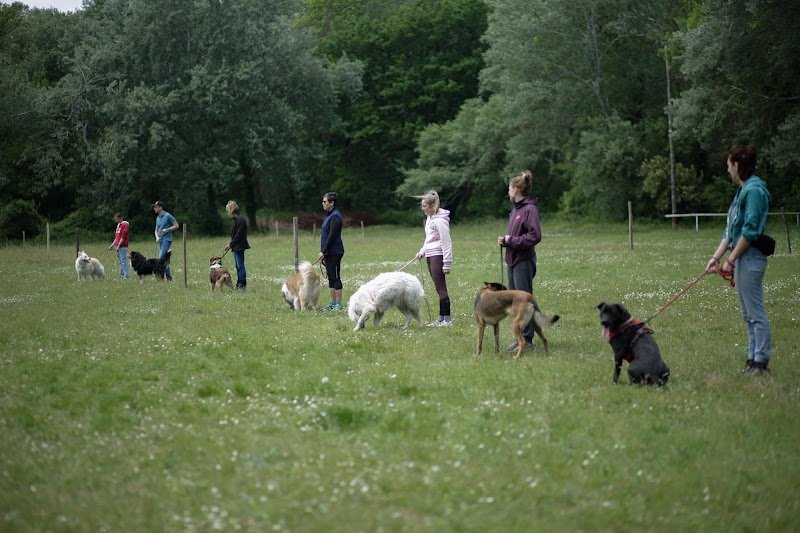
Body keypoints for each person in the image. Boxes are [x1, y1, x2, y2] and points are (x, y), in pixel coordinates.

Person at [705, 145, 772, 375]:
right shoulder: (742, 191)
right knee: (747, 314)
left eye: (728, 166)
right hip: (740, 257)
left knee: (755, 313)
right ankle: (752, 361)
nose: (727, 170)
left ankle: (761, 362)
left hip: (750, 257)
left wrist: (730, 261)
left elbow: (750, 231)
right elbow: (730, 231)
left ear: (736, 166)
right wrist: (716, 257)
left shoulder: (754, 191)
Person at [497, 170, 542, 352]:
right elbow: (516, 235)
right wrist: (506, 240)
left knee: (524, 301)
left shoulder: (530, 209)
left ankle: (528, 340)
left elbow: (534, 236)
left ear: (516, 189)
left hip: (524, 261)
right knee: (515, 302)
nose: (508, 191)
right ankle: (519, 338)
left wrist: (510, 241)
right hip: (512, 260)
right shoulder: (516, 209)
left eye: (509, 188)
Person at [414, 190, 453, 326]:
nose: (422, 208)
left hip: (438, 255)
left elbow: (446, 242)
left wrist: (447, 263)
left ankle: (447, 319)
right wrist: (422, 251)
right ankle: (441, 318)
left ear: (432, 206)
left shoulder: (440, 221)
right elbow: (429, 239)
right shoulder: (430, 219)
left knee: (441, 287)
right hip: (430, 254)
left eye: (424, 206)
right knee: (438, 287)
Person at [318, 192, 345, 310]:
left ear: (332, 203)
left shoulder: (335, 217)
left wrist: (323, 251)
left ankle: (338, 304)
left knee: (335, 276)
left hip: (335, 251)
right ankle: (333, 303)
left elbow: (332, 236)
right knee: (330, 277)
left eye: (325, 201)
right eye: (323, 201)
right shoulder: (328, 215)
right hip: (328, 252)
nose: (323, 203)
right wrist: (323, 252)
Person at [223, 200, 250, 290]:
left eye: (228, 210)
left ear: (231, 209)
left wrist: (230, 245)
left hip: (239, 246)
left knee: (240, 266)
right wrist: (230, 244)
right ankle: (239, 283)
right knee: (237, 266)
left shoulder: (240, 220)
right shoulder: (236, 220)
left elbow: (238, 236)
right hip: (236, 246)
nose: (227, 212)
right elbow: (234, 235)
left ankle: (242, 285)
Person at [153, 200, 178, 281]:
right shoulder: (157, 218)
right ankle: (169, 277)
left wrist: (168, 229)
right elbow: (156, 229)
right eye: (154, 207)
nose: (154, 208)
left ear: (160, 207)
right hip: (160, 240)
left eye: (156, 207)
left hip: (167, 240)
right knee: (164, 259)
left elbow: (176, 225)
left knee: (161, 258)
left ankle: (160, 276)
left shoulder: (168, 216)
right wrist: (157, 237)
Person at [108, 212, 129, 280]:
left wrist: (118, 246)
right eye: (115, 219)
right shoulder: (118, 226)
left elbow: (123, 237)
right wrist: (112, 245)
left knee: (123, 261)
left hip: (122, 246)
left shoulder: (124, 225)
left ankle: (126, 276)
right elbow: (116, 237)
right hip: (119, 246)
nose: (116, 221)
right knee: (120, 261)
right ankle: (122, 276)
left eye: (117, 219)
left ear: (121, 218)